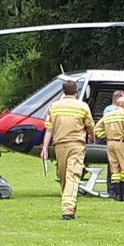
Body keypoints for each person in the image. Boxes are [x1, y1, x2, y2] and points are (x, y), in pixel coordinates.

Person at [40, 80, 95, 220]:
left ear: (63, 91)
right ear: (76, 91)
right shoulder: (82, 106)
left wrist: (45, 148)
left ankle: (68, 207)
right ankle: (69, 208)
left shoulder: (54, 106)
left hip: (59, 145)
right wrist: (92, 138)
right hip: (76, 144)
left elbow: (49, 129)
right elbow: (90, 126)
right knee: (72, 175)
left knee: (64, 176)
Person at [94, 96, 124, 201]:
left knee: (115, 168)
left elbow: (96, 129)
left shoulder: (108, 114)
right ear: (122, 104)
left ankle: (118, 196)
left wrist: (106, 136)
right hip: (122, 142)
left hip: (110, 143)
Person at [102, 90, 124, 198]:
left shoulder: (108, 110)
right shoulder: (110, 110)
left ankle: (116, 191)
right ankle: (113, 190)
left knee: (115, 167)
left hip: (113, 140)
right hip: (117, 140)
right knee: (113, 167)